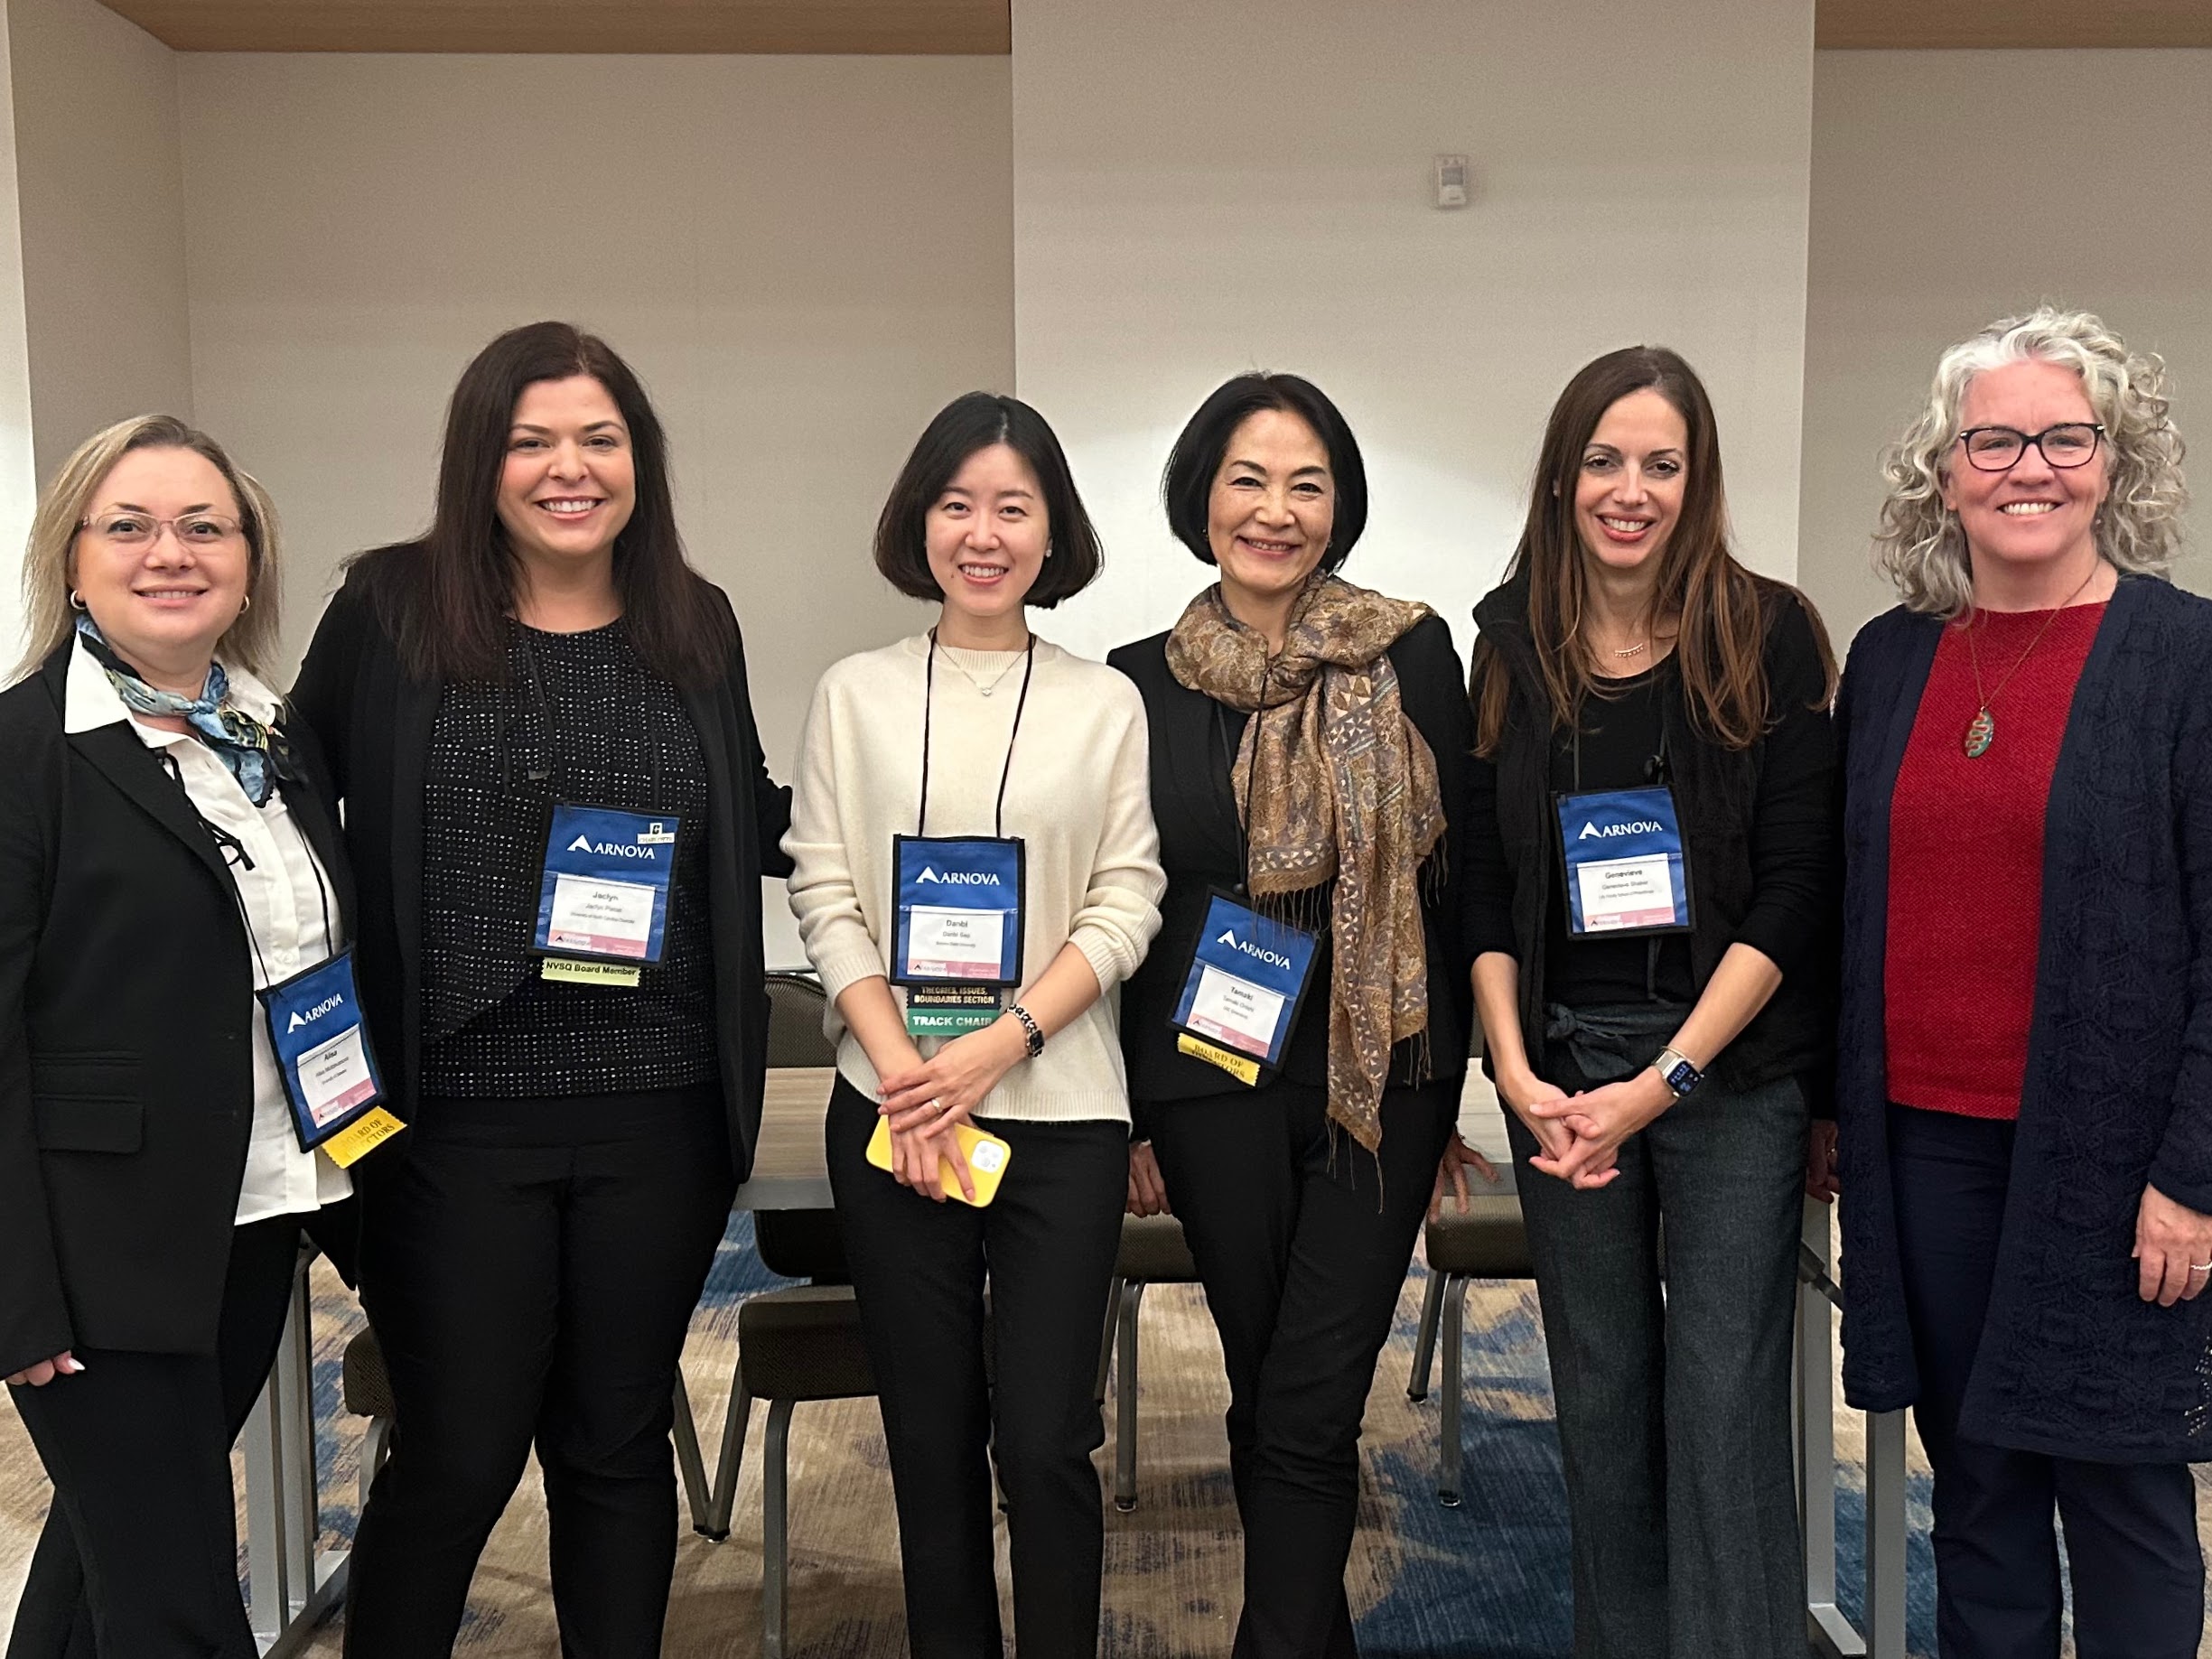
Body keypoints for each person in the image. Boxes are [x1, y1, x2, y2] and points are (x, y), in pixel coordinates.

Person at [289, 321, 791, 1655]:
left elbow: (746, 810)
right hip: (453, 1117)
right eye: (531, 441)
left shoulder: (698, 620)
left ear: (640, 460)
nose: (568, 468)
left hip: (659, 1108)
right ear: (480, 461)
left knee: (615, 1438)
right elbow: (288, 800)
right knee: (457, 1449)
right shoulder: (391, 610)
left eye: (599, 439)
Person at [1835, 306, 2209, 1657]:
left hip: (2118, 1165)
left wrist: (2193, 1173)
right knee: (1975, 1476)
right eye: (1991, 439)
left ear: (2115, 462)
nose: (2027, 466)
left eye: (2064, 436)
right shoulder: (1890, 659)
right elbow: (1849, 908)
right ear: (1943, 471)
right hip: (1926, 1142)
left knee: (2120, 1487)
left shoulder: (2185, 658)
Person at [1461, 346, 1837, 1656]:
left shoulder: (1767, 630)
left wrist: (1663, 1079)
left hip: (1723, 1080)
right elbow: (1485, 889)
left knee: (1723, 1405)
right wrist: (1514, 1076)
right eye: (1605, 461)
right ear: (1563, 475)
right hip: (1560, 1079)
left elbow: (1795, 894)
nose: (1631, 490)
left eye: (1661, 465)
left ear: (1698, 478)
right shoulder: (1507, 642)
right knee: (1603, 1398)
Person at [1110, 372, 1486, 1659]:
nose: (1275, 509)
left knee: (1312, 1394)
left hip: (1380, 1075)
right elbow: (1121, 907)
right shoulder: (1134, 683)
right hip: (1205, 1075)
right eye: (1247, 479)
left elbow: (1456, 868)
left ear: (1341, 504)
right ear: (1200, 497)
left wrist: (1451, 1080)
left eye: (1306, 482)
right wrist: (1124, 1115)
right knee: (1266, 1381)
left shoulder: (1413, 649)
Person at [783, 390, 1162, 1657]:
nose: (982, 532)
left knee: (1048, 1437)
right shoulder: (853, 693)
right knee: (928, 1431)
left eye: (1013, 506)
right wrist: (902, 1067)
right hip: (892, 1114)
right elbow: (824, 885)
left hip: (1060, 1111)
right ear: (919, 521)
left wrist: (998, 1043)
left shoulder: (1103, 702)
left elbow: (1126, 898)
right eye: (957, 504)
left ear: (1052, 534)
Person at [0, 415, 363, 1658]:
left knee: (111, 1550)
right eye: (132, 525)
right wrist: (14, 1287)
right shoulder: (21, 751)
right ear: (72, 559)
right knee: (180, 1600)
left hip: (253, 1215)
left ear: (248, 562)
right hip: (96, 1252)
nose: (172, 551)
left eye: (204, 526)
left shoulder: (270, 735)